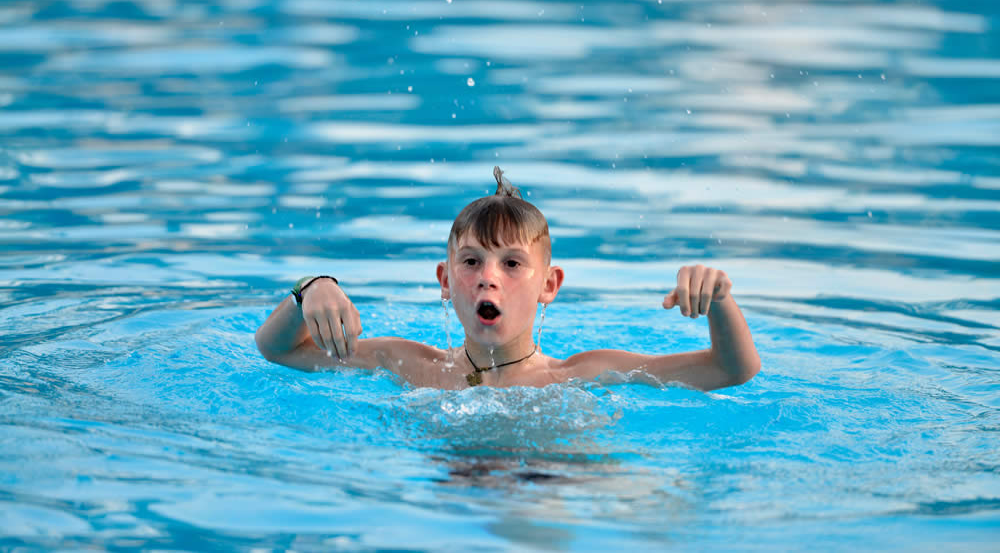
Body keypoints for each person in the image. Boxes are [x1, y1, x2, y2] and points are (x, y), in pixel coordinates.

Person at [255, 167, 760, 391]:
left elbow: (731, 370)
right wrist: (310, 289)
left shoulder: (582, 376)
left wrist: (719, 300)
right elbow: (279, 350)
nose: (487, 279)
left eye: (512, 264)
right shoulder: (409, 365)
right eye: (470, 262)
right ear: (445, 280)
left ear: (549, 285)